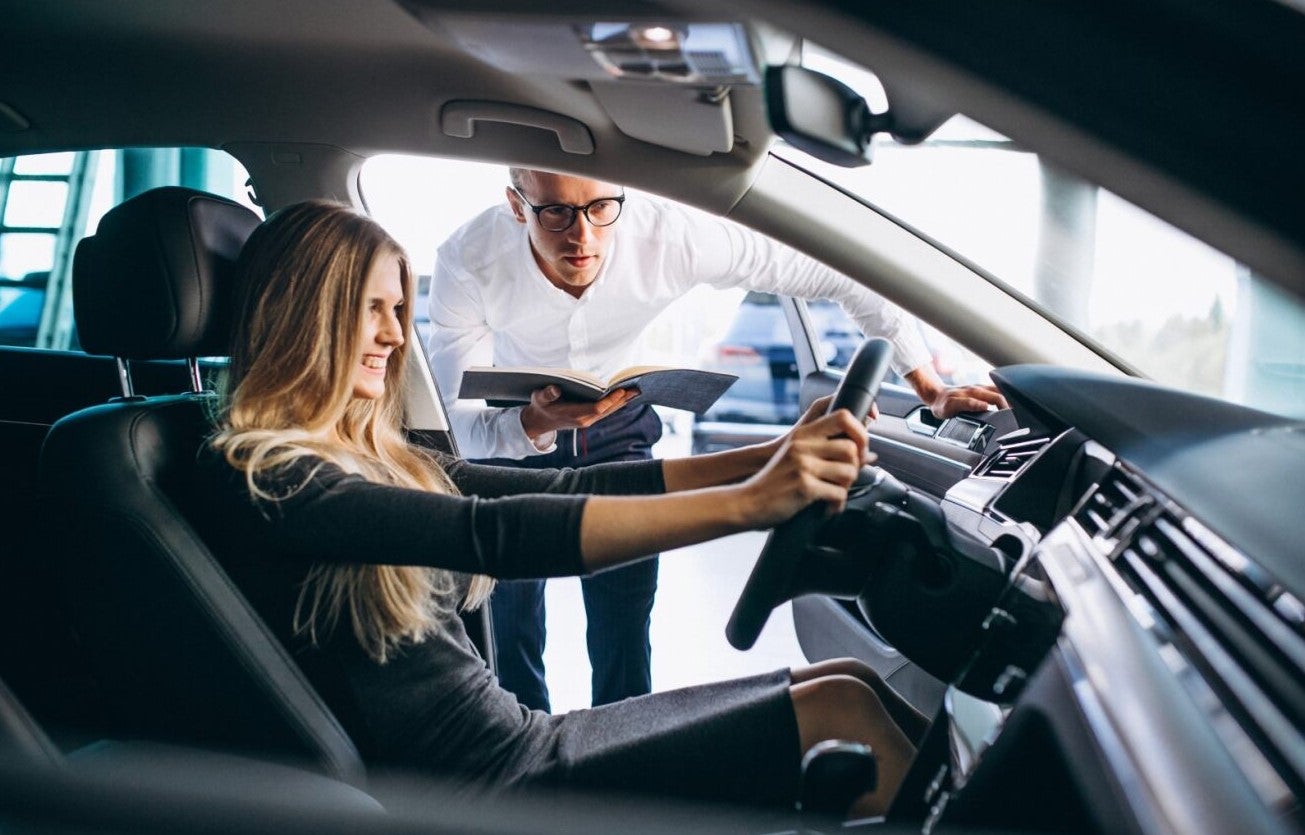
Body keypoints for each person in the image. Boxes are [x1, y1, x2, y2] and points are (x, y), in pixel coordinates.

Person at [197, 200, 925, 816]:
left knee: (845, 683)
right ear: (307, 314)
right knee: (839, 716)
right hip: (488, 789)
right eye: (372, 310)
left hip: (519, 743)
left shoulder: (370, 455)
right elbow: (496, 535)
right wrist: (751, 503)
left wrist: (765, 458)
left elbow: (563, 490)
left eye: (397, 310)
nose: (394, 334)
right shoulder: (275, 477)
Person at [426, 168, 1008, 712]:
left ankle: (618, 754)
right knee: (511, 624)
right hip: (514, 431)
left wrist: (929, 387)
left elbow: (839, 272)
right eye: (555, 212)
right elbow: (459, 424)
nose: (583, 235)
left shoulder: (671, 237)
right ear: (516, 205)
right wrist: (533, 425)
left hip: (620, 421)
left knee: (625, 619)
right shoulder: (468, 258)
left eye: (601, 207)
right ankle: (527, 759)